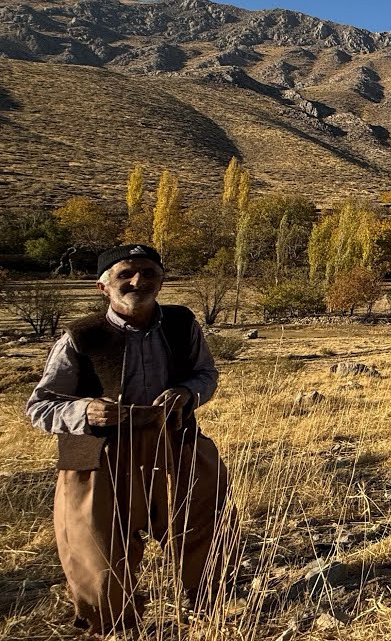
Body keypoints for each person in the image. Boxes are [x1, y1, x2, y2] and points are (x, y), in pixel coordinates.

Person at [27, 244, 236, 633]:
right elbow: (39, 406)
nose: (138, 281)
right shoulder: (79, 337)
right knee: (95, 548)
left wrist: (188, 394)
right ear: (102, 286)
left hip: (172, 440)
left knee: (203, 526)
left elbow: (206, 374)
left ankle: (208, 609)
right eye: (125, 274)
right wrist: (83, 411)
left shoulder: (181, 324)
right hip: (92, 451)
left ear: (161, 280)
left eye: (148, 273)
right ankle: (112, 625)